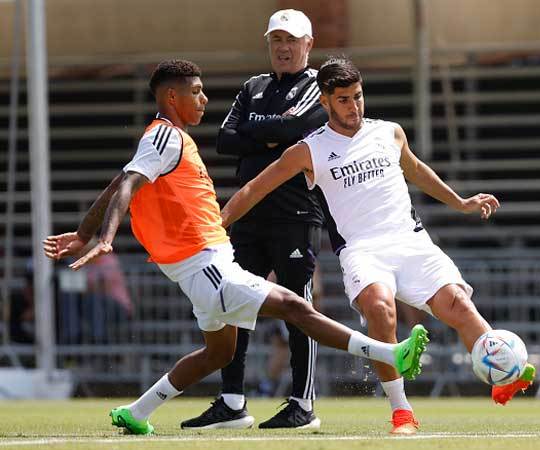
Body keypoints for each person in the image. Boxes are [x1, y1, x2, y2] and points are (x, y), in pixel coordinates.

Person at [42, 59, 429, 436]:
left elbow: (118, 182)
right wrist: (104, 238)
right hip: (205, 265)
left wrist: (82, 233)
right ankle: (388, 353)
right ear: (172, 97)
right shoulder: (164, 135)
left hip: (204, 264)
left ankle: (136, 411)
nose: (205, 99)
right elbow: (126, 185)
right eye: (196, 92)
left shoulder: (164, 139)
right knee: (295, 306)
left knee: (219, 353)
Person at [218, 56, 537, 434]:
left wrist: (461, 202)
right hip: (362, 250)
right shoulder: (308, 150)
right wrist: (218, 225)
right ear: (325, 102)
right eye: (344, 99)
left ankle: (503, 373)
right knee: (381, 311)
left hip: (411, 241)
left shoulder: (390, 132)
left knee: (460, 305)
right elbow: (255, 187)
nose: (354, 107)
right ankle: (402, 412)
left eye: (358, 96)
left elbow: (417, 170)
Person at [181, 9, 329, 430]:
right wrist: (274, 131)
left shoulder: (317, 84)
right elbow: (226, 139)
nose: (283, 47)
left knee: (298, 307)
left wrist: (259, 131)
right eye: (276, 40)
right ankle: (231, 401)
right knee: (232, 303)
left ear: (308, 43)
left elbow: (300, 127)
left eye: (291, 40)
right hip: (248, 214)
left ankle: (303, 403)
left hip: (294, 213)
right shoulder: (253, 86)